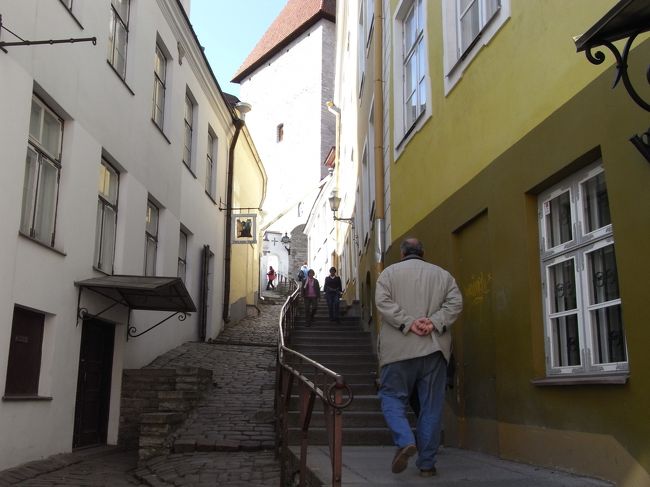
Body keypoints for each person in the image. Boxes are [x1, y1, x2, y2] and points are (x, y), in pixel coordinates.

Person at [374, 238, 463, 478]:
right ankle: (427, 464)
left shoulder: (388, 274)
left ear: (402, 253)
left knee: (391, 397)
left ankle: (405, 440)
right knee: (431, 407)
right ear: (423, 252)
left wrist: (407, 322)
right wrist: (433, 322)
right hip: (433, 350)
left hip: (398, 350)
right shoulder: (443, 276)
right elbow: (455, 303)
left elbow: (382, 302)